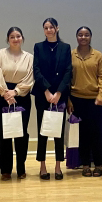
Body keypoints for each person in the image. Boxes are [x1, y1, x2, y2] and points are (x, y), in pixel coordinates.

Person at [0, 27, 34, 181]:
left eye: (18, 36)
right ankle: (6, 169)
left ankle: (21, 166)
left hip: (21, 96)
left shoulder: (29, 57)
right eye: (12, 37)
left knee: (21, 133)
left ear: (22, 38)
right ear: (7, 39)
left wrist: (15, 92)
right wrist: (5, 94)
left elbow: (29, 79)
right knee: (4, 133)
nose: (15, 39)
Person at [33, 18, 72, 180]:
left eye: (51, 27)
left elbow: (68, 72)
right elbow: (36, 70)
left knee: (58, 132)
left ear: (57, 28)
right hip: (43, 95)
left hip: (60, 96)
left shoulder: (65, 47)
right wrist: (47, 92)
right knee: (42, 131)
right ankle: (42, 166)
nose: (49, 30)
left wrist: (59, 93)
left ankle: (58, 166)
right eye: (46, 27)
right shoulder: (39, 47)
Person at [68, 26, 102, 177]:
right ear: (76, 37)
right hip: (77, 100)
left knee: (96, 134)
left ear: (91, 37)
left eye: (86, 35)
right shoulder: (70, 55)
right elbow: (67, 79)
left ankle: (98, 165)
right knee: (82, 135)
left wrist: (101, 95)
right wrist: (69, 101)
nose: (83, 37)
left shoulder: (98, 55)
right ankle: (85, 164)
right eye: (80, 35)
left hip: (94, 100)